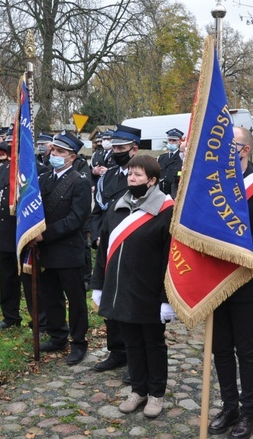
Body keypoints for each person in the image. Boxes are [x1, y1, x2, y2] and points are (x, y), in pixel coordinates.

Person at [207, 127, 253, 438]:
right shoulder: (213, 187)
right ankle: (229, 406)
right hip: (214, 280)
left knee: (245, 349)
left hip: (245, 283)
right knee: (220, 349)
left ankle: (248, 411)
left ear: (245, 150)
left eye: (230, 146)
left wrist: (234, 241)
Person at [91, 155, 175, 419]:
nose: (132, 178)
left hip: (149, 292)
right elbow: (104, 247)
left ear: (152, 180)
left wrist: (166, 298)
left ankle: (156, 394)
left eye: (138, 175)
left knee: (153, 344)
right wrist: (99, 283)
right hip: (120, 289)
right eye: (130, 174)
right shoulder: (118, 203)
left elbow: (171, 257)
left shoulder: (167, 209)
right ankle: (138, 390)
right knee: (132, 343)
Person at [34, 131, 92, 365]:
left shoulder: (80, 182)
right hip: (46, 251)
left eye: (60, 152)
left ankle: (79, 342)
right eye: (54, 150)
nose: (55, 154)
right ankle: (58, 336)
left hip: (68, 250)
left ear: (72, 156)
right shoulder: (44, 179)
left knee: (75, 299)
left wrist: (43, 235)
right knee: (51, 297)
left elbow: (76, 219)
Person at [90, 124, 141, 377]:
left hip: (133, 248)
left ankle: (135, 358)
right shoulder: (107, 176)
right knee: (110, 298)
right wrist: (97, 235)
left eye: (121, 148)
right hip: (107, 247)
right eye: (114, 147)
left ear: (134, 149)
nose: (116, 152)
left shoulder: (144, 177)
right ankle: (117, 350)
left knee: (131, 301)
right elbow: (98, 210)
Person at [0, 141, 46, 330]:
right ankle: (10, 316)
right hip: (4, 233)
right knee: (7, 278)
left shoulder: (37, 169)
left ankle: (40, 320)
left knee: (30, 280)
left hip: (26, 233)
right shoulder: (0, 171)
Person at [157, 128, 184, 198]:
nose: (171, 142)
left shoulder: (182, 158)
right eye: (170, 140)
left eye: (174, 140)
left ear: (179, 142)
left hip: (175, 195)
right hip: (161, 194)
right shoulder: (161, 158)